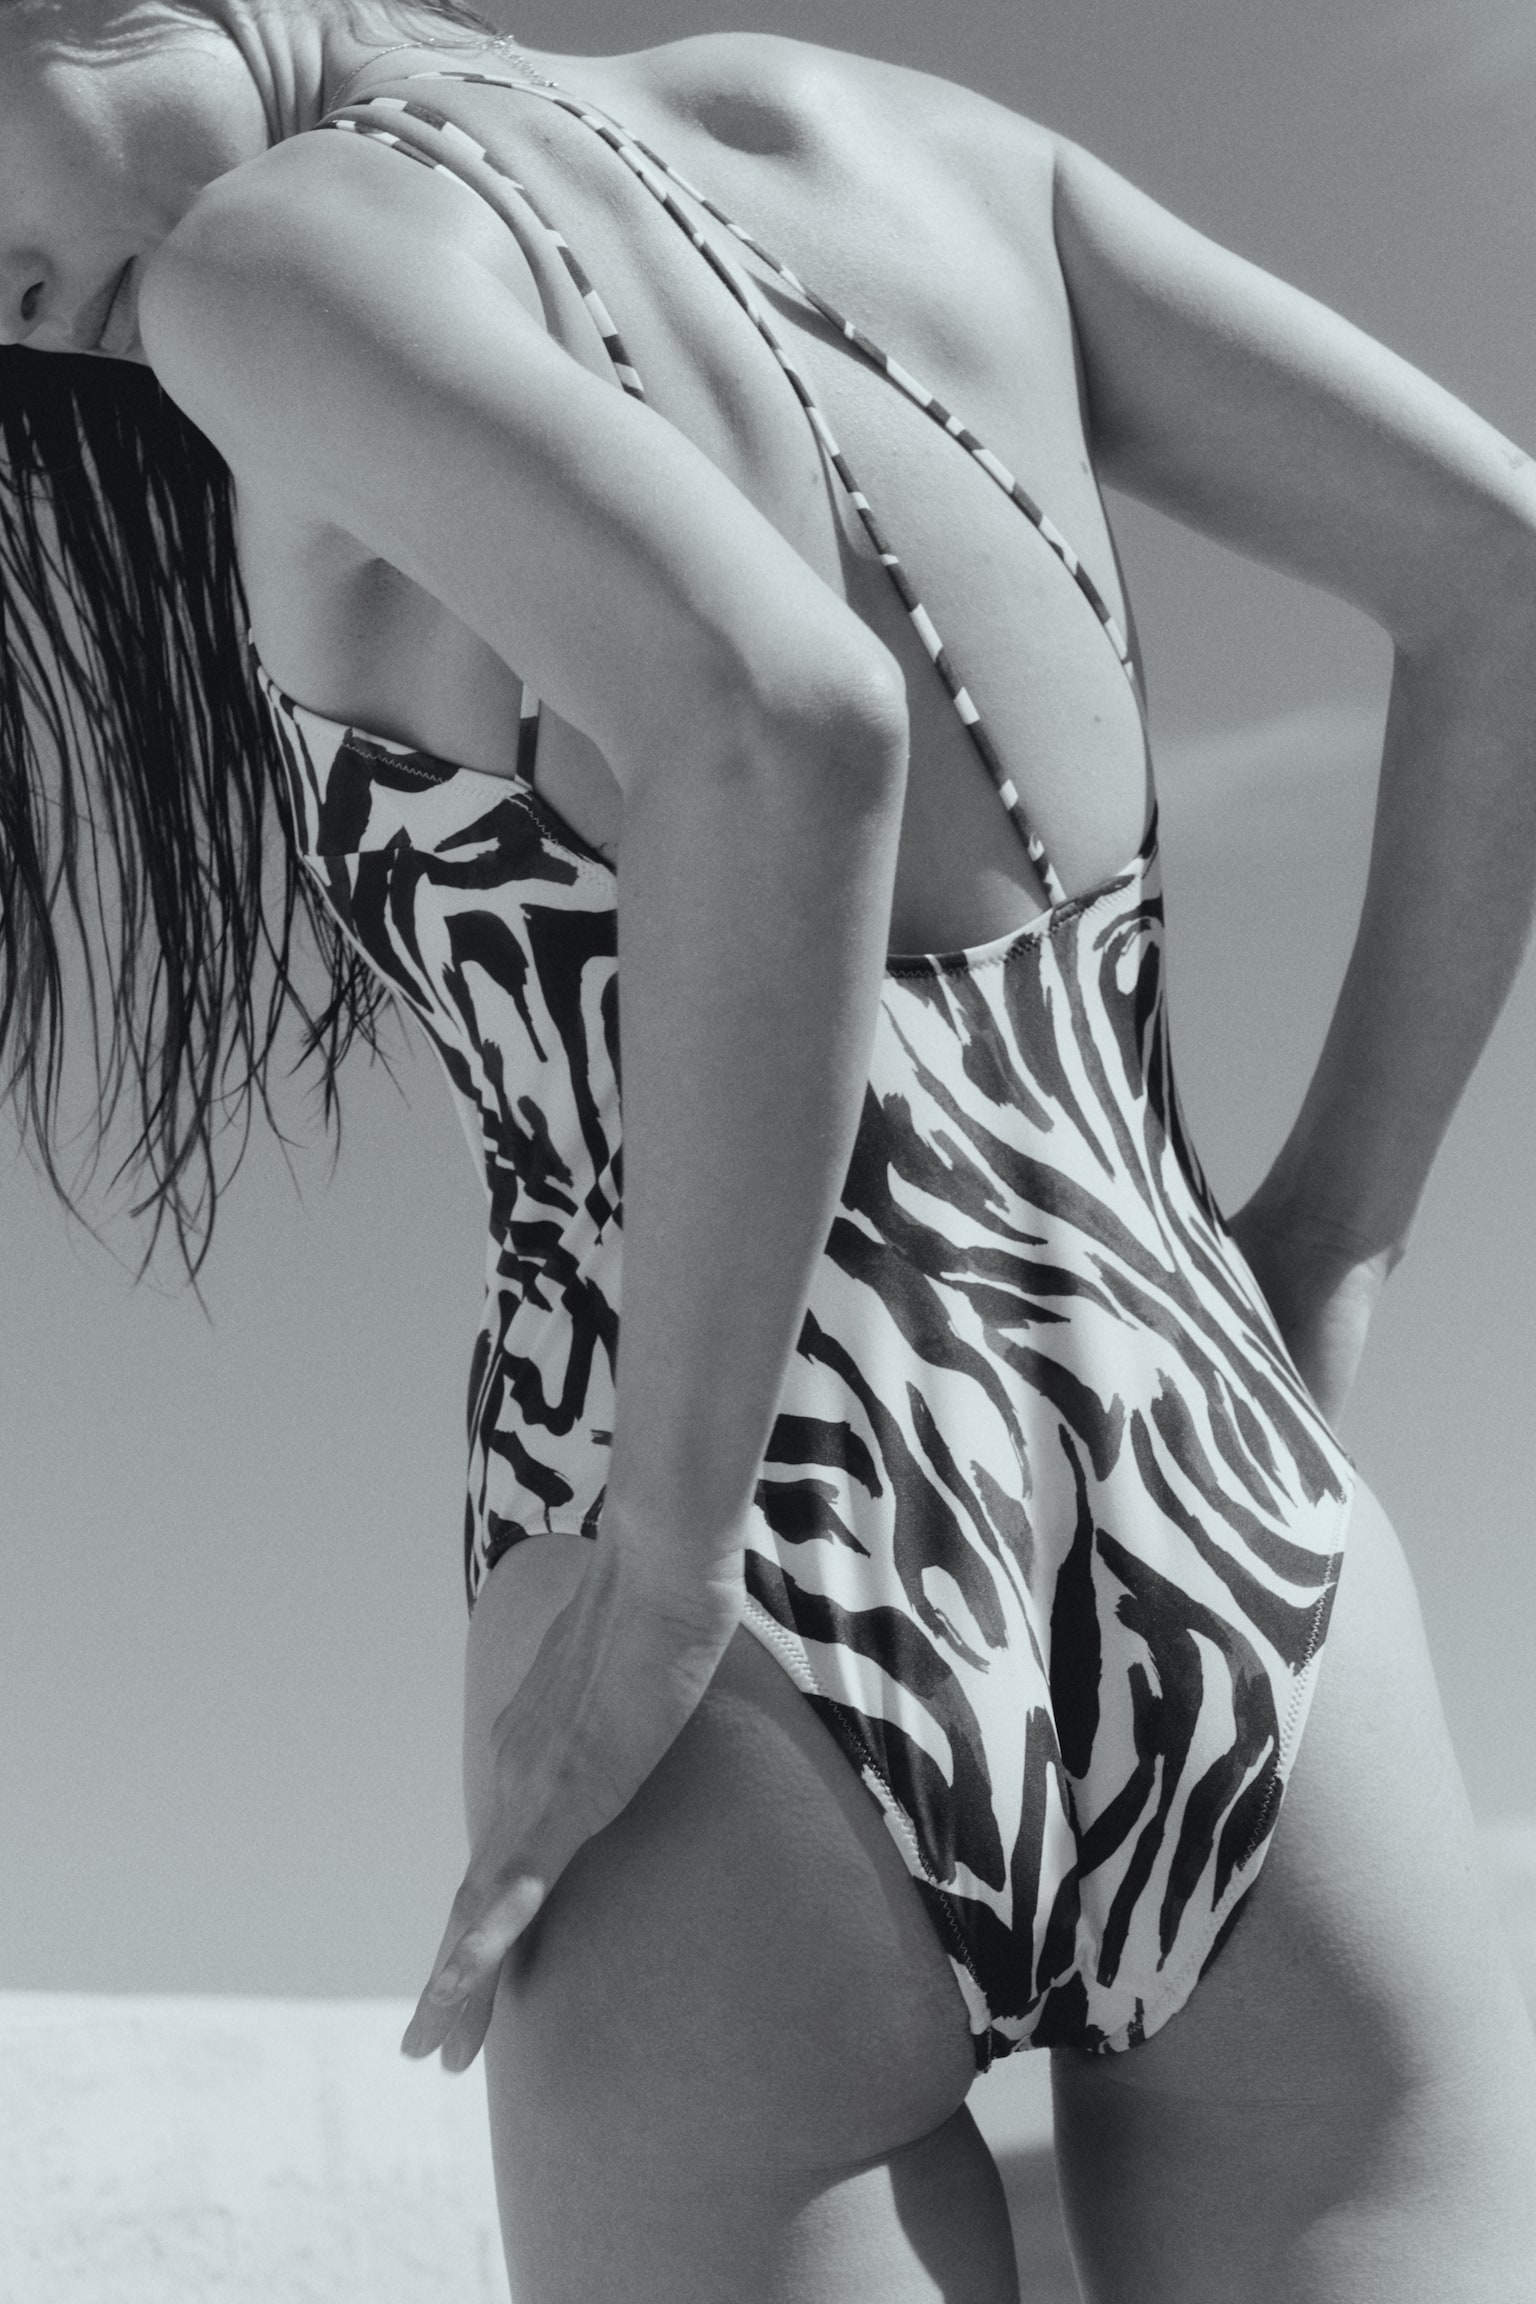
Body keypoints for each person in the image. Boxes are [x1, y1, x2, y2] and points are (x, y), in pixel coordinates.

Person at [4, 2, 1535, 2296]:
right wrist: (1330, 1241)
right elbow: (1504, 568)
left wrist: (664, 1576)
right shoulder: (917, 148)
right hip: (1234, 1515)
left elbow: (780, 716)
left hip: (747, 1587)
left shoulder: (276, 263)